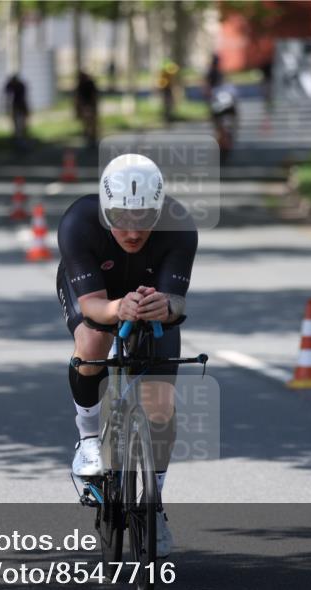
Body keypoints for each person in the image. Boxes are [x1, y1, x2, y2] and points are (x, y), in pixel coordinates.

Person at [56, 154, 198, 557]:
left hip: (152, 297)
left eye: (143, 219)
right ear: (103, 210)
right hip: (98, 295)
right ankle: (87, 437)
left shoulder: (180, 225)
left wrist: (165, 308)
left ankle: (154, 504)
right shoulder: (78, 221)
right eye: (120, 217)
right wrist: (120, 309)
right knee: (92, 346)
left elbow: (176, 301)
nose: (132, 232)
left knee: (160, 401)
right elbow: (93, 307)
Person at [3, 73, 30, 149]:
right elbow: (7, 93)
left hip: (20, 106)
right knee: (17, 126)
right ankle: (19, 142)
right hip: (17, 107)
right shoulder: (16, 85)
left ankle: (22, 142)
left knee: (21, 126)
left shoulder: (20, 86)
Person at [74, 70, 100, 147]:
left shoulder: (88, 84)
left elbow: (93, 96)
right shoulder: (82, 84)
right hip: (86, 105)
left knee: (90, 122)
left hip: (88, 105)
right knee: (88, 122)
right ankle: (89, 136)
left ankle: (91, 137)